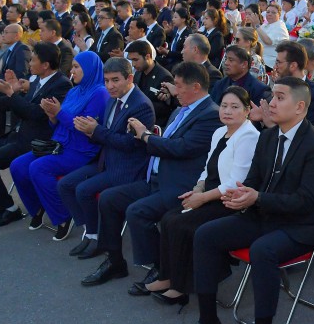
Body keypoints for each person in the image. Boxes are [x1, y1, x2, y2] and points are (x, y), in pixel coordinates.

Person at [171, 77, 314, 324]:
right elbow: (256, 180)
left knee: (263, 251)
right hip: (264, 214)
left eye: (279, 97)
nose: (270, 102)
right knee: (205, 234)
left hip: (299, 225)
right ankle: (208, 323)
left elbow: (307, 201)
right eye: (272, 96)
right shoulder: (269, 137)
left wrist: (257, 197)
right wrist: (242, 196)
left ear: (299, 107)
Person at [81, 62, 221, 287]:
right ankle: (115, 261)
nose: (174, 90)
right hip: (155, 179)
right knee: (109, 199)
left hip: (178, 185)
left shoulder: (210, 115)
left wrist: (145, 136)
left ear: (195, 87)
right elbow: (167, 141)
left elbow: (181, 148)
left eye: (178, 85)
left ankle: (162, 269)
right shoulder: (181, 109)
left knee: (137, 212)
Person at [144, 86, 260, 304]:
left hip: (230, 200)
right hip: (209, 192)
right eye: (224, 105)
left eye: (235, 107)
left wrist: (202, 198)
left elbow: (236, 182)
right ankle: (167, 277)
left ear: (246, 111)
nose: (227, 111)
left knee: (183, 224)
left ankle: (181, 287)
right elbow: (207, 168)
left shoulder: (249, 136)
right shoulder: (220, 132)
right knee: (169, 218)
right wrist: (197, 189)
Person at [0, 43, 72, 227]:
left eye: (33, 59)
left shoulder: (61, 84)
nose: (30, 63)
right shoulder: (37, 80)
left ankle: (9, 209)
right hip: (16, 136)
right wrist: (15, 90)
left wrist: (11, 94)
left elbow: (35, 114)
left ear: (46, 64)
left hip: (33, 142)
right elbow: (24, 109)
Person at [57, 57, 156, 259]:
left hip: (126, 168)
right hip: (107, 161)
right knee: (66, 185)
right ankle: (91, 232)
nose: (110, 86)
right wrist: (88, 129)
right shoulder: (113, 99)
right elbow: (105, 133)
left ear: (129, 78)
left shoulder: (141, 105)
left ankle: (96, 238)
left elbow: (131, 144)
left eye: (115, 80)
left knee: (83, 190)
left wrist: (96, 131)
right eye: (107, 80)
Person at [9, 52, 109, 241]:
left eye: (77, 67)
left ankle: (64, 215)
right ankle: (39, 206)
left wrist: (59, 113)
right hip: (60, 144)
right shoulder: (75, 91)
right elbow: (58, 125)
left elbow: (83, 127)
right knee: (18, 166)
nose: (72, 71)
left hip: (81, 150)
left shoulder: (99, 93)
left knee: (38, 168)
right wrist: (52, 116)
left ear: (89, 69)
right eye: (72, 66)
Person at [264, 40, 314, 130]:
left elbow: (311, 134)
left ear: (293, 66)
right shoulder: (278, 88)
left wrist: (272, 125)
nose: (275, 67)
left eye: (278, 62)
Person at [126, 40, 174, 128]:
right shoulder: (138, 73)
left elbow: (165, 109)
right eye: (131, 60)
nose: (133, 64)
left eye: (136, 60)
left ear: (147, 56)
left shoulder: (164, 77)